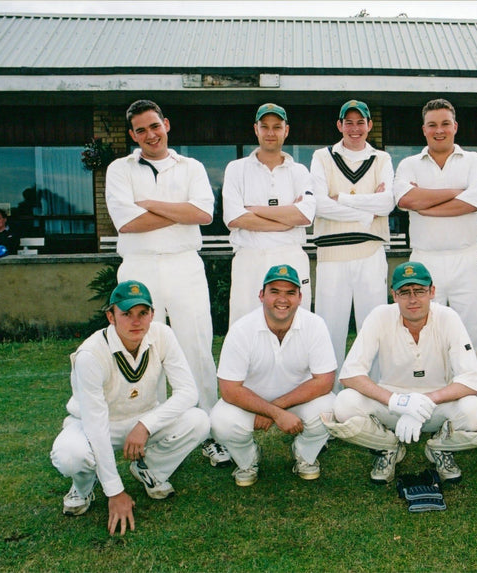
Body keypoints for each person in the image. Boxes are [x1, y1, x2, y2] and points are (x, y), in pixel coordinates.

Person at [104, 99, 229, 467]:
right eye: (140, 130)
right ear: (132, 135)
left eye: (154, 126)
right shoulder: (119, 168)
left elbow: (204, 213)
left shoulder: (190, 166)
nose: (149, 135)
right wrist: (178, 210)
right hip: (138, 268)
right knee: (143, 350)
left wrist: (150, 204)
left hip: (184, 265)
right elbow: (125, 222)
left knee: (196, 348)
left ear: (167, 125)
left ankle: (209, 432)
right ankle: (155, 433)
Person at [50, 280, 210, 535]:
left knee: (199, 420)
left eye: (142, 313)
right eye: (126, 314)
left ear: (152, 314)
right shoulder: (90, 354)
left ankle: (149, 469)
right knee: (70, 454)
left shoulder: (162, 335)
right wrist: (115, 492)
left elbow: (188, 392)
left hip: (143, 420)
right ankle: (83, 487)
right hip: (94, 425)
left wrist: (146, 425)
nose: (136, 322)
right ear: (111, 316)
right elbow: (95, 424)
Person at [323, 262, 477, 485]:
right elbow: (350, 374)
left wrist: (425, 401)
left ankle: (440, 447)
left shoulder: (448, 317)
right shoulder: (380, 316)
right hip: (392, 405)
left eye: (420, 291)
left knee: (474, 412)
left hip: (437, 404)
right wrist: (398, 401)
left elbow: (472, 380)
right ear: (394, 295)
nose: (413, 299)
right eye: (405, 292)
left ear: (432, 292)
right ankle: (387, 447)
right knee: (344, 404)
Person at [210, 264, 337, 486]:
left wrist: (276, 409)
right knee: (221, 422)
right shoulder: (242, 328)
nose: (282, 299)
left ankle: (305, 455)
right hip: (251, 402)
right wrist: (274, 412)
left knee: (331, 409)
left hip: (297, 400)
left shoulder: (314, 325)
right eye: (275, 291)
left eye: (290, 292)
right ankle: (248, 460)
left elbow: (325, 381)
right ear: (261, 295)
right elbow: (229, 390)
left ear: (300, 297)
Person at [393, 99, 477, 363]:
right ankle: (431, 394)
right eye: (432, 125)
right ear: (423, 129)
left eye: (445, 124)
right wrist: (455, 193)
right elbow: (405, 200)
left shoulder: (474, 161)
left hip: (467, 257)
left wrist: (425, 204)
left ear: (455, 126)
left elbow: (476, 201)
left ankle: (475, 396)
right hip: (425, 259)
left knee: (474, 336)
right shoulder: (409, 164)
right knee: (424, 333)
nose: (439, 130)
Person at [310, 100, 395, 388]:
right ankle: (328, 395)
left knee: (371, 329)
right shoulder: (322, 157)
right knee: (329, 329)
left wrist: (343, 199)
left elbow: (387, 203)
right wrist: (367, 212)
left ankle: (370, 396)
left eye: (361, 122)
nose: (355, 128)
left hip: (370, 253)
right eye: (349, 122)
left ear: (370, 125)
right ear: (339, 125)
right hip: (331, 255)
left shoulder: (381, 160)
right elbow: (319, 205)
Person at [222, 103, 316, 326]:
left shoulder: (300, 171)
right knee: (244, 325)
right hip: (249, 258)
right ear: (256, 129)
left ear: (286, 130)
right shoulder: (236, 168)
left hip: (291, 256)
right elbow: (234, 218)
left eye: (277, 126)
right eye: (265, 127)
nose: (271, 133)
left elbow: (304, 216)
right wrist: (284, 220)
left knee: (296, 325)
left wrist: (254, 209)